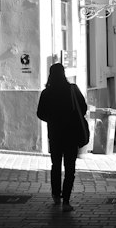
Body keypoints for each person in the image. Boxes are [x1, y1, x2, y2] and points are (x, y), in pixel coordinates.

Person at [36, 61, 89, 211]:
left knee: (56, 166)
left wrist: (53, 120)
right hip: (71, 134)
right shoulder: (72, 89)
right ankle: (66, 200)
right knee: (70, 167)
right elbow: (83, 108)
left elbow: (40, 113)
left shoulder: (46, 93)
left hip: (55, 134)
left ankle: (55, 196)